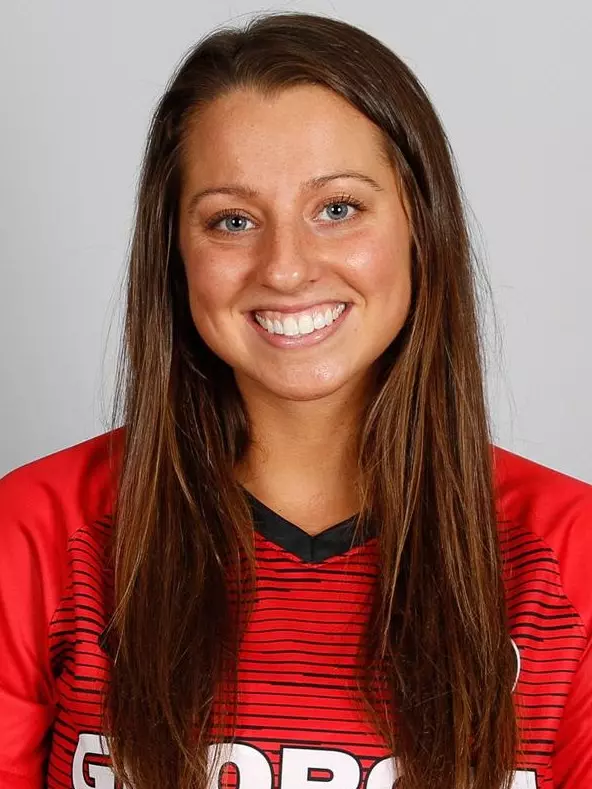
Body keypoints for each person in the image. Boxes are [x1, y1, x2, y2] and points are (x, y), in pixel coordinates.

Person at [1, 10, 591, 789]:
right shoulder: (40, 529)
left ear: (421, 223)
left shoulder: (567, 555)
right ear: (175, 250)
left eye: (337, 208)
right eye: (232, 220)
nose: (284, 267)